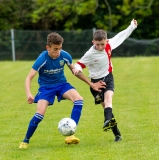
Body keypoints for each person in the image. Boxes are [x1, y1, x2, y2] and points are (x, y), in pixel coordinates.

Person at [19, 32, 106, 149]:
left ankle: (71, 135)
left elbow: (75, 72)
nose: (58, 52)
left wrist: (91, 84)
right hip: (46, 87)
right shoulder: (42, 59)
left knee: (79, 100)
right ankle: (25, 141)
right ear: (48, 48)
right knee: (39, 114)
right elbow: (29, 77)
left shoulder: (64, 56)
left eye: (60, 48)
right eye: (55, 49)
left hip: (62, 84)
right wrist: (29, 93)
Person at [72, 19, 138, 142]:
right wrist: (76, 69)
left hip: (108, 78)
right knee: (106, 108)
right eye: (97, 44)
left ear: (106, 41)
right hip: (95, 83)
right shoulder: (90, 53)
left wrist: (132, 26)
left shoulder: (109, 44)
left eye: (102, 44)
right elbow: (80, 63)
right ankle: (117, 134)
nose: (100, 47)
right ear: (93, 42)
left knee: (108, 100)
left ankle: (107, 121)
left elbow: (121, 36)